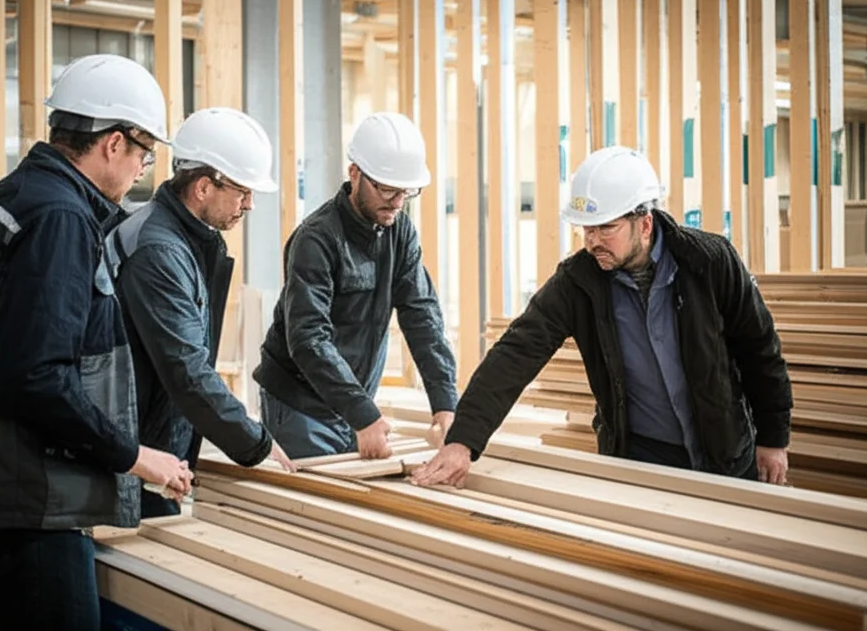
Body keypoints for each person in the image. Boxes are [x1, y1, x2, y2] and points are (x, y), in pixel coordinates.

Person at [0, 53, 193, 631]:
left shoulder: (19, 194)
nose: (144, 168)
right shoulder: (59, 216)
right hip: (24, 497)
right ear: (113, 143)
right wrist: (136, 456)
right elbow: (36, 377)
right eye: (144, 151)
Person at [411, 145, 793, 488]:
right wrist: (463, 442)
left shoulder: (709, 262)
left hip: (725, 452)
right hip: (641, 461)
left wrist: (773, 438)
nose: (592, 241)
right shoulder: (579, 281)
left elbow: (759, 348)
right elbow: (515, 353)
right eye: (586, 229)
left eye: (605, 228)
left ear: (644, 223)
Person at [106, 107, 297, 518]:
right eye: (243, 191)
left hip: (153, 445)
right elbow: (187, 371)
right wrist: (255, 443)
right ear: (204, 187)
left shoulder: (183, 240)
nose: (250, 205)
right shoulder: (161, 250)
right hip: (135, 454)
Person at [253, 111, 459, 460]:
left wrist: (445, 402)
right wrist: (363, 414)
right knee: (313, 508)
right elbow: (308, 339)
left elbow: (422, 316)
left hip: (350, 401)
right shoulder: (316, 240)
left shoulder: (400, 232)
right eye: (387, 189)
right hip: (300, 403)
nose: (396, 201)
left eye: (406, 192)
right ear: (354, 174)